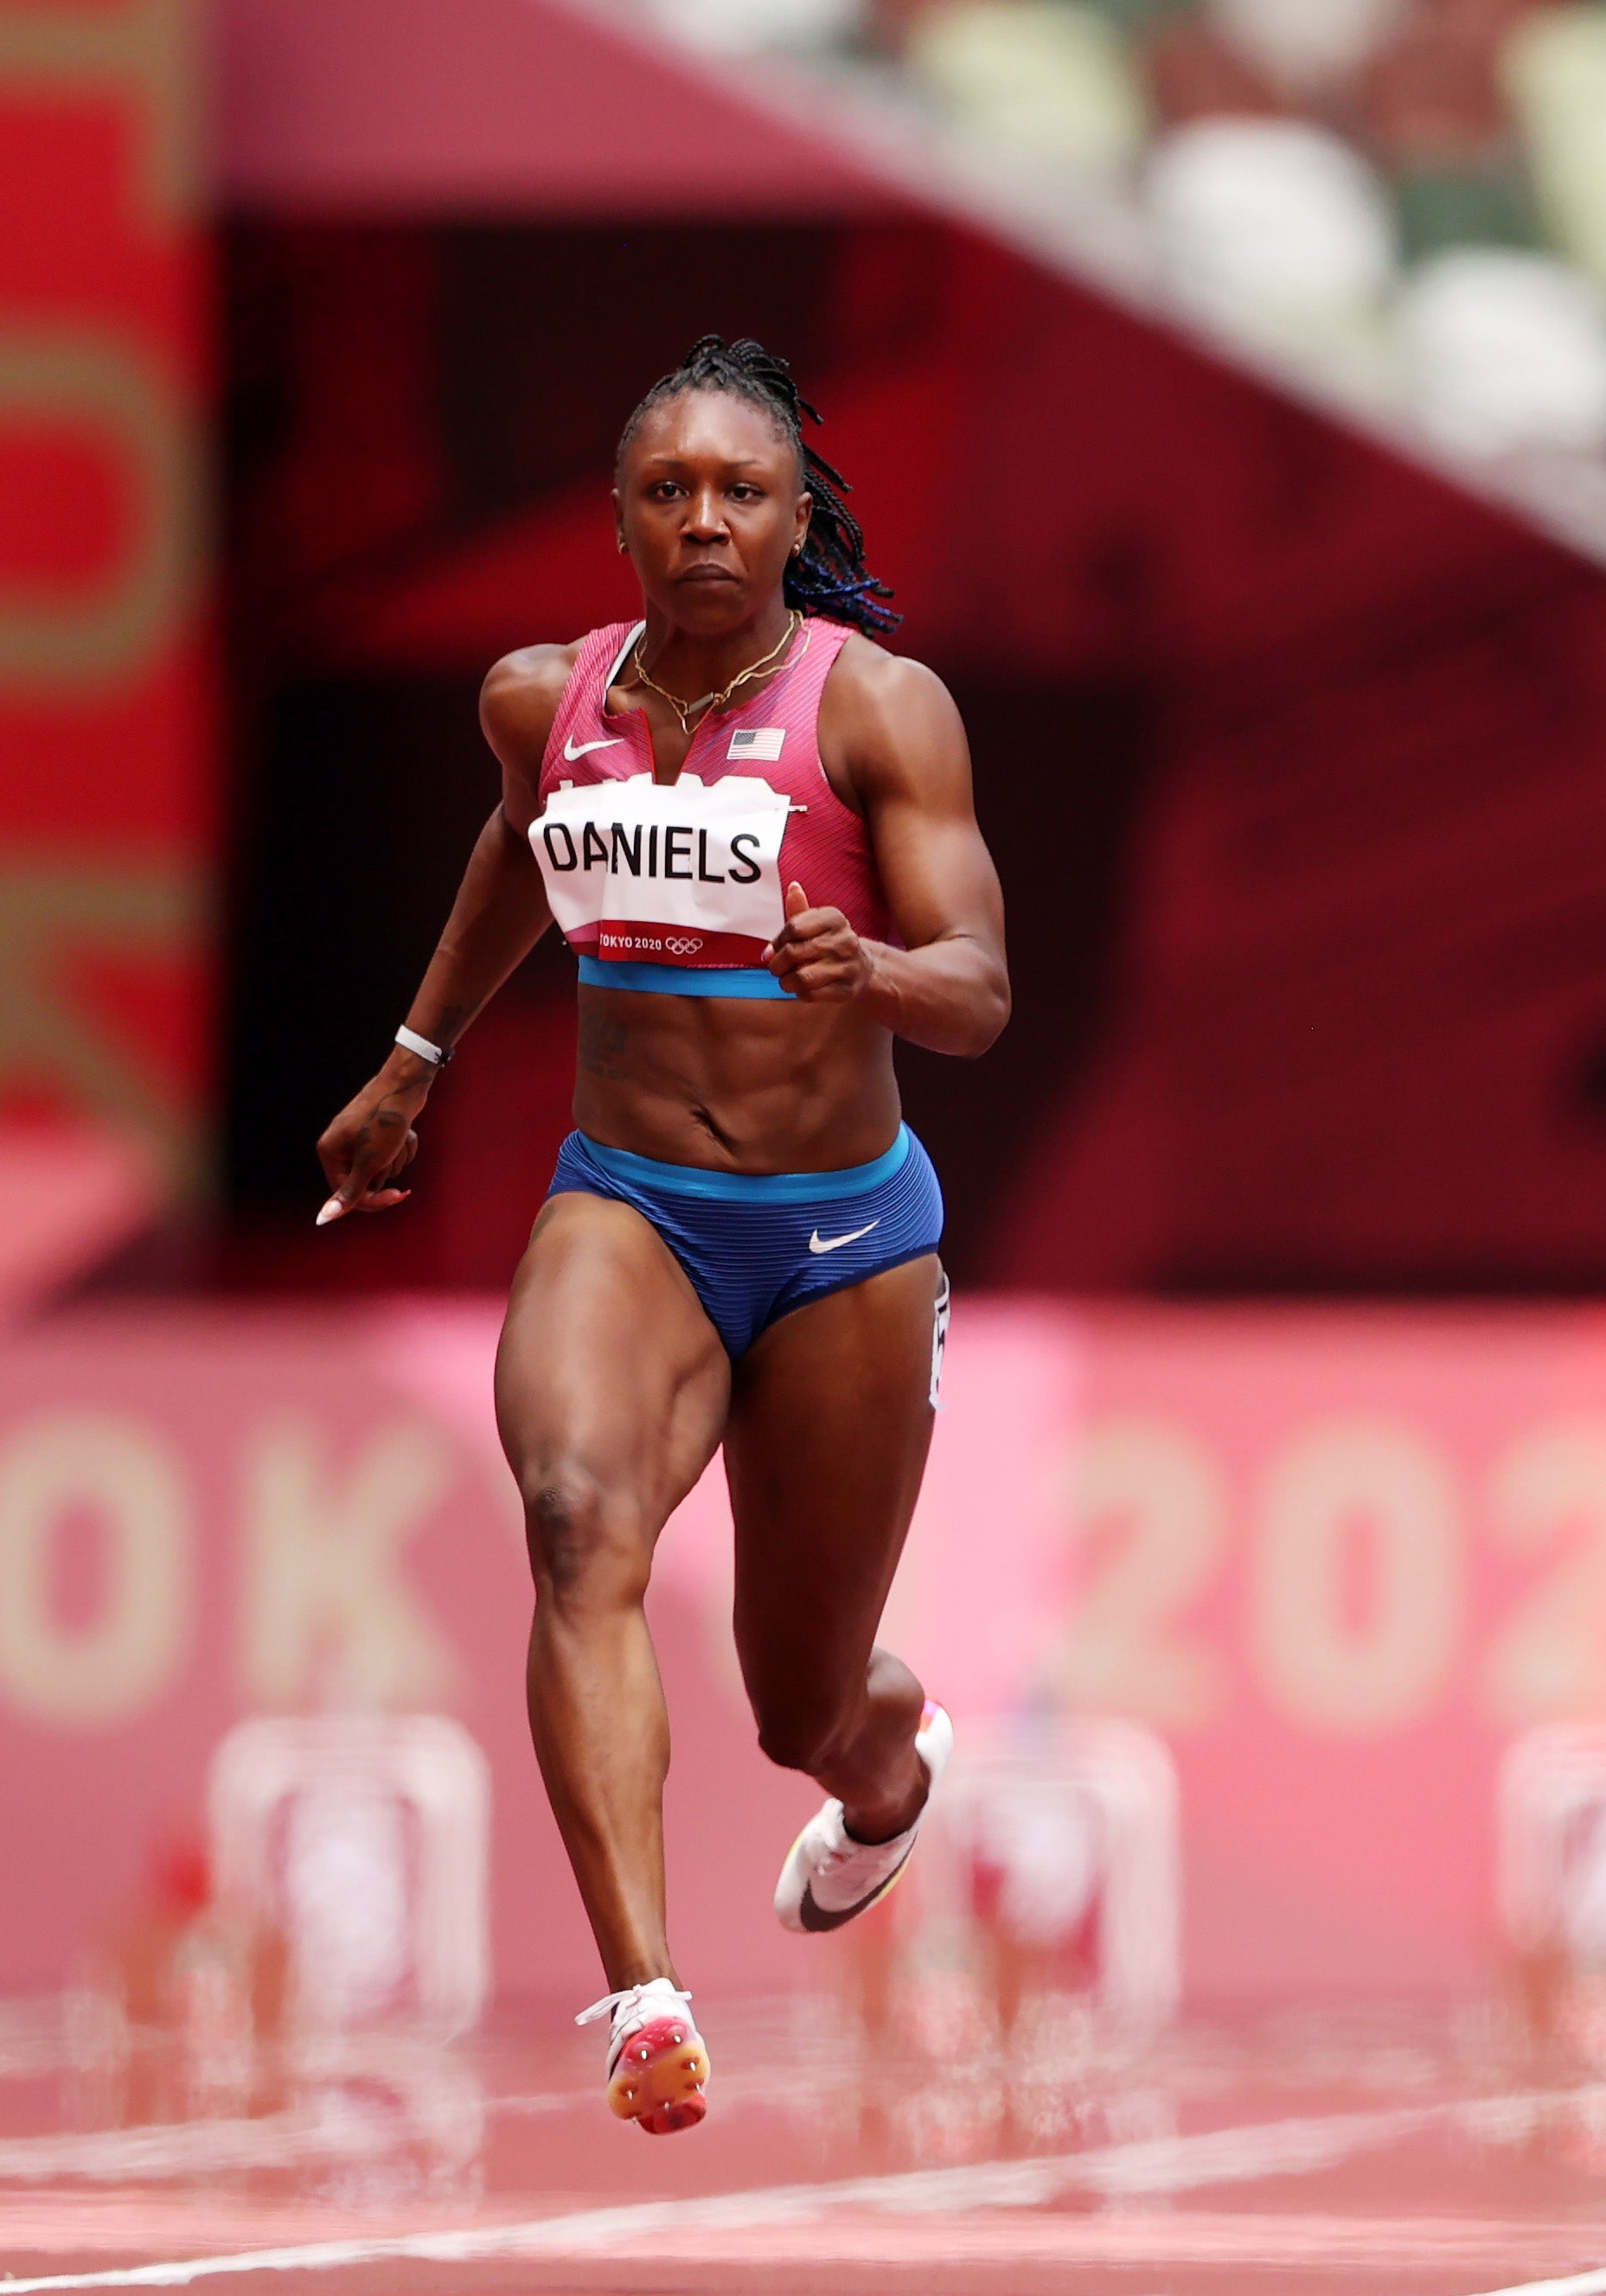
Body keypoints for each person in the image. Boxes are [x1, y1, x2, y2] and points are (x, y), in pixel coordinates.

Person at [311, 338, 1011, 2134]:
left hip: (844, 1238)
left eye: (740, 493)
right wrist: (411, 1060)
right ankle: (643, 1996)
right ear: (622, 516)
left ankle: (886, 1775)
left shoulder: (876, 710)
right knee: (572, 1522)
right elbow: (515, 850)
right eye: (667, 492)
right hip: (628, 1202)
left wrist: (878, 971)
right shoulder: (542, 696)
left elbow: (984, 990)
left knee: (801, 1702)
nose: (704, 520)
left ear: (790, 520)